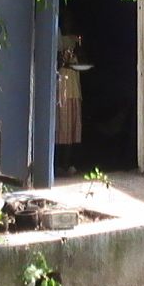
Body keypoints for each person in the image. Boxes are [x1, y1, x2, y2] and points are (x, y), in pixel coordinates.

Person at [55, 13, 82, 176]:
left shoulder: (75, 41)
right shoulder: (57, 41)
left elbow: (84, 59)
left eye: (70, 21)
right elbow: (57, 63)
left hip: (74, 89)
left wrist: (77, 48)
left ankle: (69, 163)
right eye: (65, 21)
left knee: (72, 129)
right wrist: (63, 58)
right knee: (61, 129)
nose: (68, 24)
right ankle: (59, 164)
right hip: (62, 90)